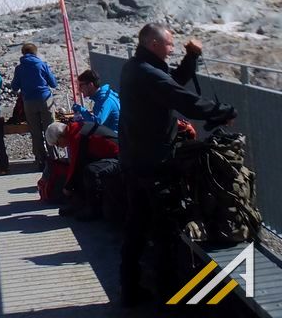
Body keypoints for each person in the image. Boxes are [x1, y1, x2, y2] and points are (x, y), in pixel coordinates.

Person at [118, 24, 237, 307]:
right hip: (153, 164)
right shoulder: (147, 73)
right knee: (164, 230)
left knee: (136, 225)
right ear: (153, 43)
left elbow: (173, 82)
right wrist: (223, 112)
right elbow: (182, 99)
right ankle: (168, 295)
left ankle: (131, 290)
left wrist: (191, 58)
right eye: (170, 45)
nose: (172, 49)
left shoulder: (137, 67)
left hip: (134, 159)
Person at [44, 120, 119, 216]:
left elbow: (76, 165)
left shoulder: (77, 136)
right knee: (83, 170)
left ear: (61, 136)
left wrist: (67, 188)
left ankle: (94, 209)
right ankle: (79, 204)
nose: (60, 147)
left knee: (90, 171)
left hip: (119, 158)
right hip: (109, 156)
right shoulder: (76, 129)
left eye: (57, 144)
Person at [11, 43, 58, 169]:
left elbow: (14, 86)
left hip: (29, 102)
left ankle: (40, 160)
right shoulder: (42, 65)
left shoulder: (19, 68)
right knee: (50, 130)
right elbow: (53, 83)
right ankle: (54, 159)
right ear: (35, 53)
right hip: (45, 100)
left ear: (23, 53)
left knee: (36, 133)